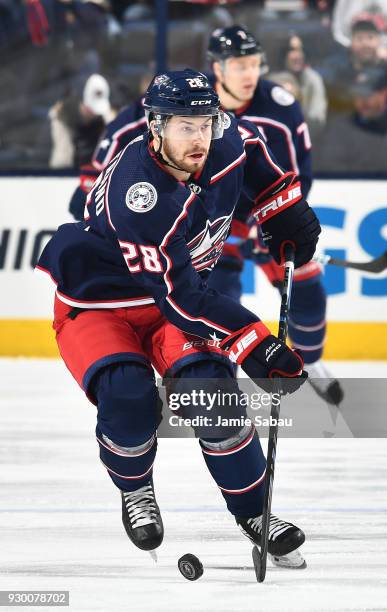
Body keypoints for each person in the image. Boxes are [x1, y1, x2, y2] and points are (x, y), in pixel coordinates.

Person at [37, 69, 320, 566]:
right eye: (184, 127)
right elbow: (181, 298)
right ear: (155, 126)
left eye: (205, 123)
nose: (199, 138)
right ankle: (135, 488)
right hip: (100, 305)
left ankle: (255, 511)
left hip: (174, 299)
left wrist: (281, 208)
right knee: (128, 396)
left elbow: (252, 154)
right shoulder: (139, 195)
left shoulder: (223, 138)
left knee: (212, 395)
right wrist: (255, 343)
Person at [207, 25, 343, 404]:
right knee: (219, 297)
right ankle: (222, 386)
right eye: (239, 65)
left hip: (268, 216)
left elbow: (301, 174)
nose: (249, 74)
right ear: (218, 68)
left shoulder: (280, 106)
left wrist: (272, 222)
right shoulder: (197, 106)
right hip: (213, 221)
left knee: (308, 287)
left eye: (254, 64)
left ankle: (309, 361)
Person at [48, 73, 116, 168]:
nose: (93, 113)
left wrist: (111, 122)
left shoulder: (104, 120)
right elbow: (60, 165)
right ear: (80, 102)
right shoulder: (61, 119)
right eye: (89, 108)